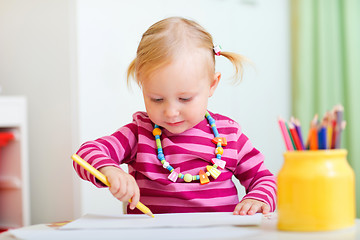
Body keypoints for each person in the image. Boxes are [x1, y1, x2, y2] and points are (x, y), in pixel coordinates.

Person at [74, 17, 276, 215]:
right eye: (157, 99)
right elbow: (87, 153)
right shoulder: (139, 133)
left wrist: (257, 198)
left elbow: (264, 178)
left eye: (185, 98)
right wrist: (110, 170)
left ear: (212, 85)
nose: (171, 112)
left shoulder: (229, 134)